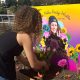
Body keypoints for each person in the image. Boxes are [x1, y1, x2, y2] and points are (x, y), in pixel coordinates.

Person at [0, 5, 48, 80]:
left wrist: (34, 64)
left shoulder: (13, 34)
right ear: (33, 22)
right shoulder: (25, 36)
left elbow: (22, 60)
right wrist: (44, 64)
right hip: (4, 72)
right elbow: (34, 65)